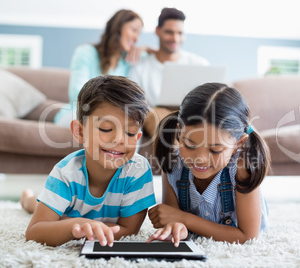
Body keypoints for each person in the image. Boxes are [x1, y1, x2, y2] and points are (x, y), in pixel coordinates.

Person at [23, 75, 156, 247]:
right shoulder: (65, 173)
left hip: (69, 214)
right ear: (79, 131)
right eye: (106, 129)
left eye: (130, 133)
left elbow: (128, 231)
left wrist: (79, 227)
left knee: (55, 214)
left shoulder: (138, 171)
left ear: (138, 137)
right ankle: (26, 198)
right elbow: (34, 232)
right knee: (35, 204)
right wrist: (73, 225)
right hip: (64, 207)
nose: (119, 139)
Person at [146, 82, 270, 247]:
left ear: (238, 144)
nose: (200, 159)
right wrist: (176, 227)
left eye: (215, 150)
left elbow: (247, 236)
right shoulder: (173, 163)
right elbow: (173, 219)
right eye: (189, 145)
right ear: (178, 133)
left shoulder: (242, 168)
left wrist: (184, 219)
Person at [55, 9, 153, 128]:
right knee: (105, 123)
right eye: (134, 30)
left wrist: (146, 48)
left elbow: (160, 56)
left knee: (134, 124)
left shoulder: (128, 61)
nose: (136, 38)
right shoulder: (86, 52)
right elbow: (76, 93)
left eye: (139, 33)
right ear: (118, 27)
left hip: (116, 115)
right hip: (79, 112)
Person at [128, 7, 209, 137]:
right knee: (157, 114)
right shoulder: (140, 67)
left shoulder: (199, 64)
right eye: (169, 32)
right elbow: (133, 104)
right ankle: (173, 151)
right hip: (156, 115)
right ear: (157, 31)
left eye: (180, 33)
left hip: (192, 115)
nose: (175, 38)